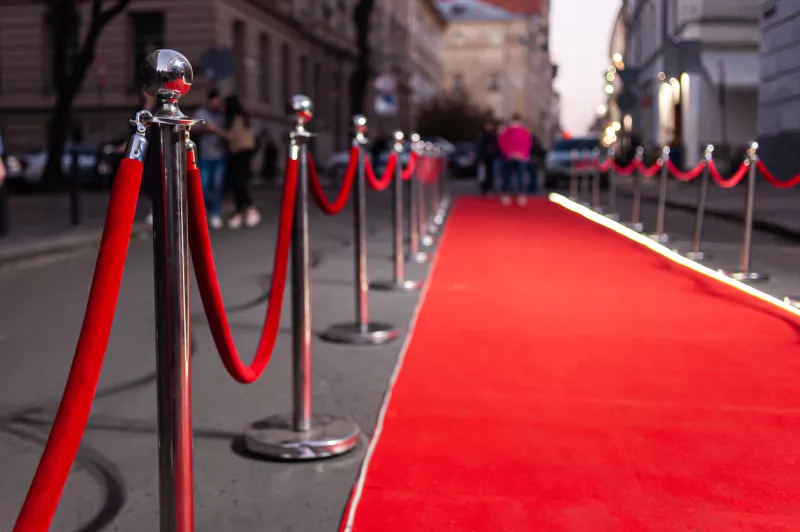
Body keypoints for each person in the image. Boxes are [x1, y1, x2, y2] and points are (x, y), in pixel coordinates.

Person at [206, 95, 261, 229]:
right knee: (236, 182)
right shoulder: (242, 117)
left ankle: (249, 209)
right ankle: (240, 212)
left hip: (241, 152)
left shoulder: (237, 118)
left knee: (240, 181)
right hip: (241, 152)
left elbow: (232, 136)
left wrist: (215, 129)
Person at [194, 89, 228, 229]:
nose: (218, 103)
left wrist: (216, 130)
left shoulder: (223, 116)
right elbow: (193, 127)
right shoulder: (202, 113)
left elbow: (229, 134)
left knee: (218, 185)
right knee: (203, 186)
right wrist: (204, 128)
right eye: (216, 100)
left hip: (220, 155)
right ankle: (203, 213)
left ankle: (215, 213)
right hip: (205, 155)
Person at [498, 112, 533, 205]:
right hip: (519, 157)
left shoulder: (506, 131)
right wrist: (523, 154)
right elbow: (527, 144)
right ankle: (520, 195)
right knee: (519, 177)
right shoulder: (524, 131)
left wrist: (508, 153)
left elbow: (502, 143)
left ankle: (506, 195)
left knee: (508, 176)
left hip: (511, 157)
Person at [475, 120, 499, 195]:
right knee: (483, 173)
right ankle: (484, 188)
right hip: (484, 156)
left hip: (492, 156)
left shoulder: (494, 135)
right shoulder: (482, 135)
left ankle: (490, 187)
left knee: (491, 173)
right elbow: (479, 146)